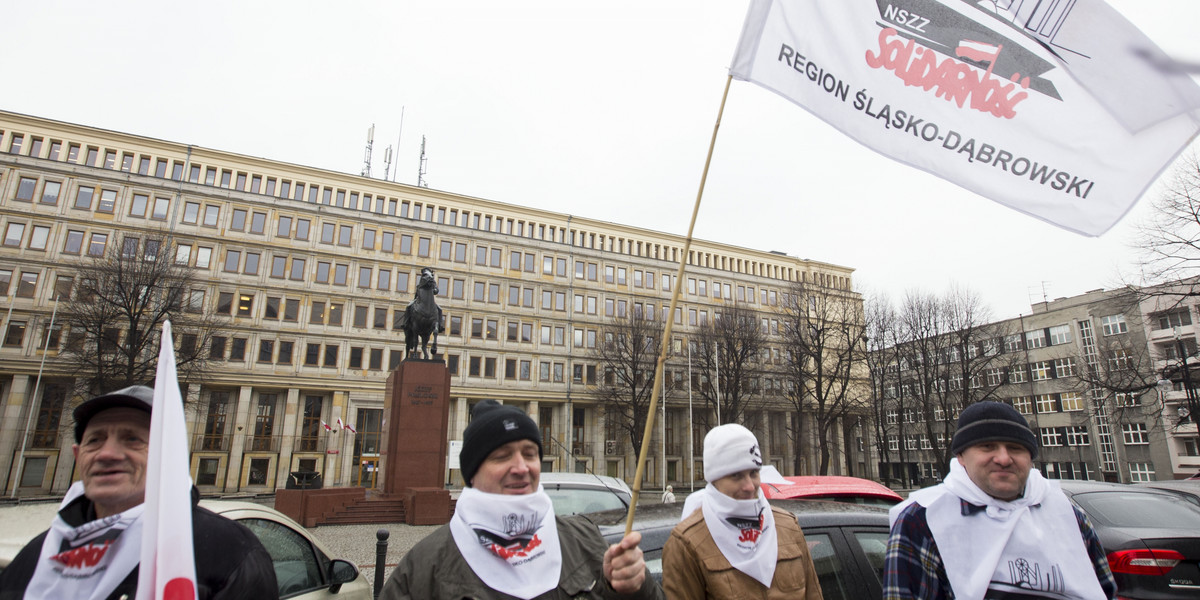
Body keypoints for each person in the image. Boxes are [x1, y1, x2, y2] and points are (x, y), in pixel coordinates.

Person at [0, 385, 278, 600]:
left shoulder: (231, 553)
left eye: (132, 439)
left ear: (168, 453)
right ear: (78, 454)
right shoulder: (36, 556)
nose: (107, 454)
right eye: (95, 440)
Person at [381, 400, 662, 599]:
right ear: (472, 473)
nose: (521, 467)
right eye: (501, 456)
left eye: (529, 454)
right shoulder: (423, 569)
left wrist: (631, 589)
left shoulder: (584, 538)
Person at [883, 401, 1117, 600]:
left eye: (1015, 448)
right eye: (988, 447)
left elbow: (1104, 589)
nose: (1004, 459)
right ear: (961, 456)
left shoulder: (1067, 514)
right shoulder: (923, 519)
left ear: (1030, 458)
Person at [661, 424, 823, 599]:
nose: (749, 486)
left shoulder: (788, 526)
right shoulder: (686, 544)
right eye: (736, 476)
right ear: (714, 480)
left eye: (753, 473)